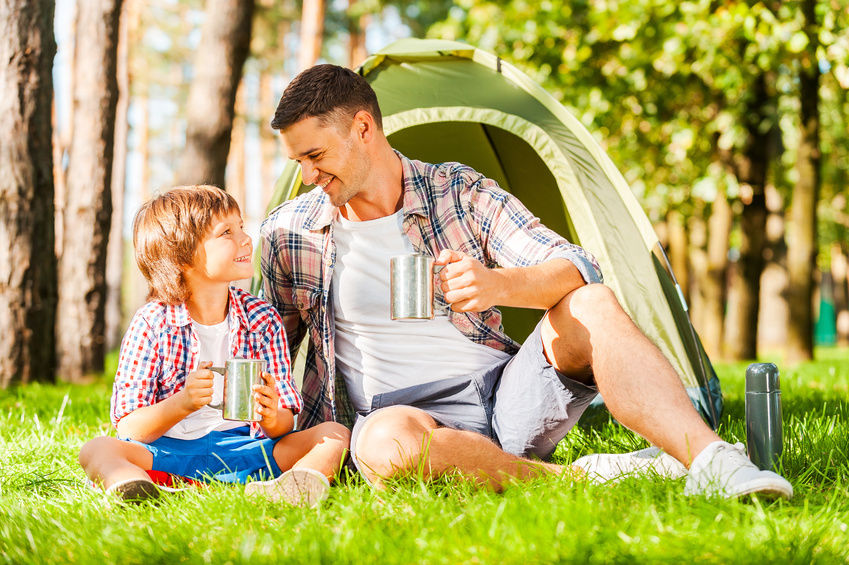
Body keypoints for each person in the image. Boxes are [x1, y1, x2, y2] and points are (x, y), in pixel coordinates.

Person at [260, 64, 793, 499]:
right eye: (297, 160)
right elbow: (269, 350)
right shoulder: (290, 233)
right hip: (397, 416)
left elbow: (577, 267)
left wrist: (497, 285)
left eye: (315, 156)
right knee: (383, 443)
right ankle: (582, 478)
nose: (307, 175)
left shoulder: (457, 191)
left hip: (504, 395)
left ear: (363, 128)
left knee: (591, 302)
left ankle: (712, 461)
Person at [78, 185, 350, 506]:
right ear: (183, 255)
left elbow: (284, 423)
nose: (246, 239)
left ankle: (295, 487)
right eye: (226, 233)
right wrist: (181, 404)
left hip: (243, 454)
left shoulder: (262, 318)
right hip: (167, 454)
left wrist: (269, 414)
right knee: (97, 448)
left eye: (241, 228)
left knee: (333, 434)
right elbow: (130, 428)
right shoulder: (152, 322)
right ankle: (133, 486)